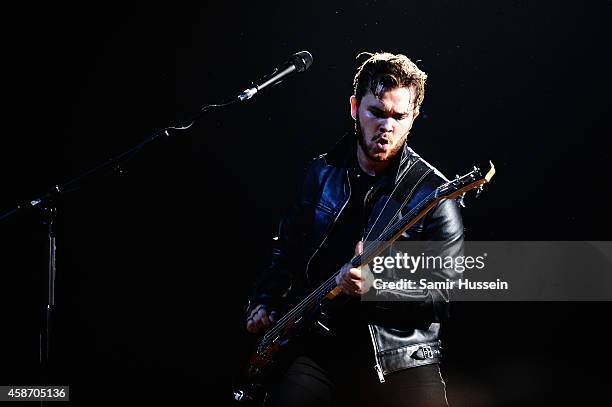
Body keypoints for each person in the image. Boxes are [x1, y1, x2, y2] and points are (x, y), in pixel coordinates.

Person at [245, 52, 464, 407]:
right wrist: (265, 300)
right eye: (376, 112)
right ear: (354, 108)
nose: (386, 126)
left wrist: (380, 286)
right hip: (320, 345)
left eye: (399, 116)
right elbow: (284, 249)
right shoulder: (321, 173)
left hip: (399, 355)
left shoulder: (435, 195)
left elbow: (442, 294)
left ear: (414, 118)